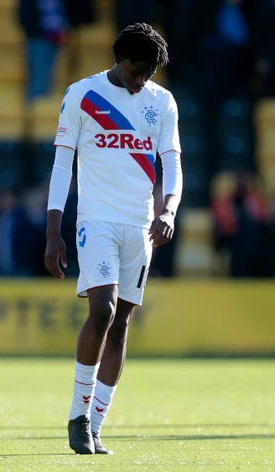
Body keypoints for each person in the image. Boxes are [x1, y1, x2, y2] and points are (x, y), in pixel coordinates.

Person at [44, 23, 182, 454]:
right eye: (138, 70)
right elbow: (62, 165)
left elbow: (173, 163)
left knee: (121, 322)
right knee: (101, 309)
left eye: (150, 73)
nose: (143, 80)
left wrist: (168, 211)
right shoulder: (82, 95)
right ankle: (77, 416)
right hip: (96, 220)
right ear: (119, 60)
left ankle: (97, 423)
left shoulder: (162, 102)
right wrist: (54, 230)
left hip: (139, 224)